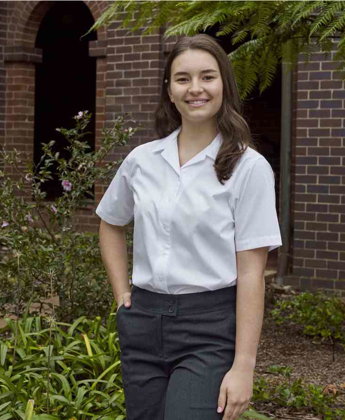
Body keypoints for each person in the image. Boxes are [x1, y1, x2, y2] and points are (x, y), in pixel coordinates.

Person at [96, 34, 282, 420]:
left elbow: (251, 272)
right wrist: (121, 294)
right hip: (142, 323)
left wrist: (243, 366)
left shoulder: (249, 169)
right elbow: (111, 223)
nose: (195, 88)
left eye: (207, 77)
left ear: (224, 85)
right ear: (169, 89)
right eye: (183, 78)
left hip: (209, 330)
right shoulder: (142, 160)